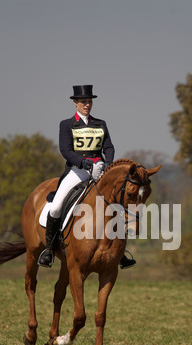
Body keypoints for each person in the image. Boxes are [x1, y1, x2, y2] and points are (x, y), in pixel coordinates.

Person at [38, 84, 136, 269]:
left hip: (100, 170)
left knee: (117, 205)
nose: (87, 104)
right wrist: (83, 163)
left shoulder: (100, 124)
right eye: (83, 101)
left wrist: (108, 164)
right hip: (77, 170)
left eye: (89, 101)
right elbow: (65, 150)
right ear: (75, 103)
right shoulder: (66, 124)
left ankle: (120, 252)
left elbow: (109, 147)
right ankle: (49, 250)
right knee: (57, 205)